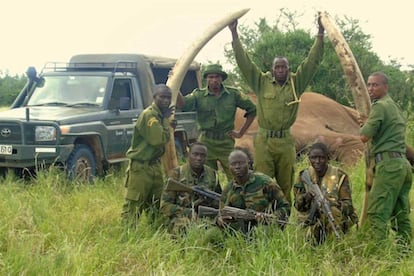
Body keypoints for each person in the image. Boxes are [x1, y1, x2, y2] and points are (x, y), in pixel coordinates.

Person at [228, 17, 325, 204]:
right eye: (277, 67)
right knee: (262, 182)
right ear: (272, 70)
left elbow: (312, 62)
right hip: (264, 141)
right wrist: (234, 35)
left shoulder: (297, 83)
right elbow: (245, 64)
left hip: (285, 141)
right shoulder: (262, 82)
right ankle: (263, 217)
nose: (280, 70)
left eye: (284, 67)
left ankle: (283, 217)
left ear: (289, 69)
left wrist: (320, 35)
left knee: (285, 183)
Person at [359, 72, 412, 248]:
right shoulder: (394, 106)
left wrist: (365, 123)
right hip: (402, 165)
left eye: (375, 85)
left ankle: (377, 255)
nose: (371, 89)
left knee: (376, 212)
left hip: (388, 166)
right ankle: (404, 251)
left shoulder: (380, 106)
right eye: (369, 85)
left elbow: (364, 136)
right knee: (400, 213)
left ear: (386, 87)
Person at [177, 63, 256, 180]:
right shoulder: (198, 95)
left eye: (217, 77)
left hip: (226, 142)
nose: (214, 80)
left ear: (222, 78)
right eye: (210, 77)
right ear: (206, 79)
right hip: (206, 142)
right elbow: (182, 104)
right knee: (206, 178)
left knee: (236, 176)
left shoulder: (233, 94)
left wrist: (240, 132)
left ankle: (235, 197)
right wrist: (176, 84)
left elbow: (252, 109)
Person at [121, 84, 172, 225]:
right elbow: (158, 140)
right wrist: (167, 123)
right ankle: (127, 234)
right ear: (154, 97)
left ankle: (155, 232)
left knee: (155, 203)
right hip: (141, 167)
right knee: (134, 203)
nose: (166, 101)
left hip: (154, 165)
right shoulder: (149, 115)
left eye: (168, 98)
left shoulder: (160, 115)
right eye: (162, 97)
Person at [293, 142, 358, 245]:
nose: (317, 161)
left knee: (333, 211)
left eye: (321, 158)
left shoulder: (340, 175)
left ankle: (334, 243)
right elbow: (297, 206)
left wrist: (331, 203)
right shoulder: (303, 176)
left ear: (328, 158)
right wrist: (307, 196)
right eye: (313, 158)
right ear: (309, 158)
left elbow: (348, 206)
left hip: (333, 218)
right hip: (310, 219)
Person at [220, 149, 291, 234]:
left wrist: (269, 218)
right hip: (237, 230)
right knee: (212, 234)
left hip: (262, 227)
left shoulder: (265, 182)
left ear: (249, 164)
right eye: (233, 164)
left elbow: (284, 207)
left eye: (241, 163)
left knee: (262, 232)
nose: (237, 167)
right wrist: (220, 220)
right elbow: (221, 213)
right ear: (229, 166)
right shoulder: (228, 189)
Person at [160, 142, 222, 234]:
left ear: (206, 157)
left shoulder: (212, 175)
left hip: (206, 216)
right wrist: (188, 212)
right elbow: (165, 206)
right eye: (195, 154)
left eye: (202, 155)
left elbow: (219, 200)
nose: (199, 158)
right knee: (183, 227)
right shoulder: (177, 174)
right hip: (182, 217)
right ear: (189, 155)